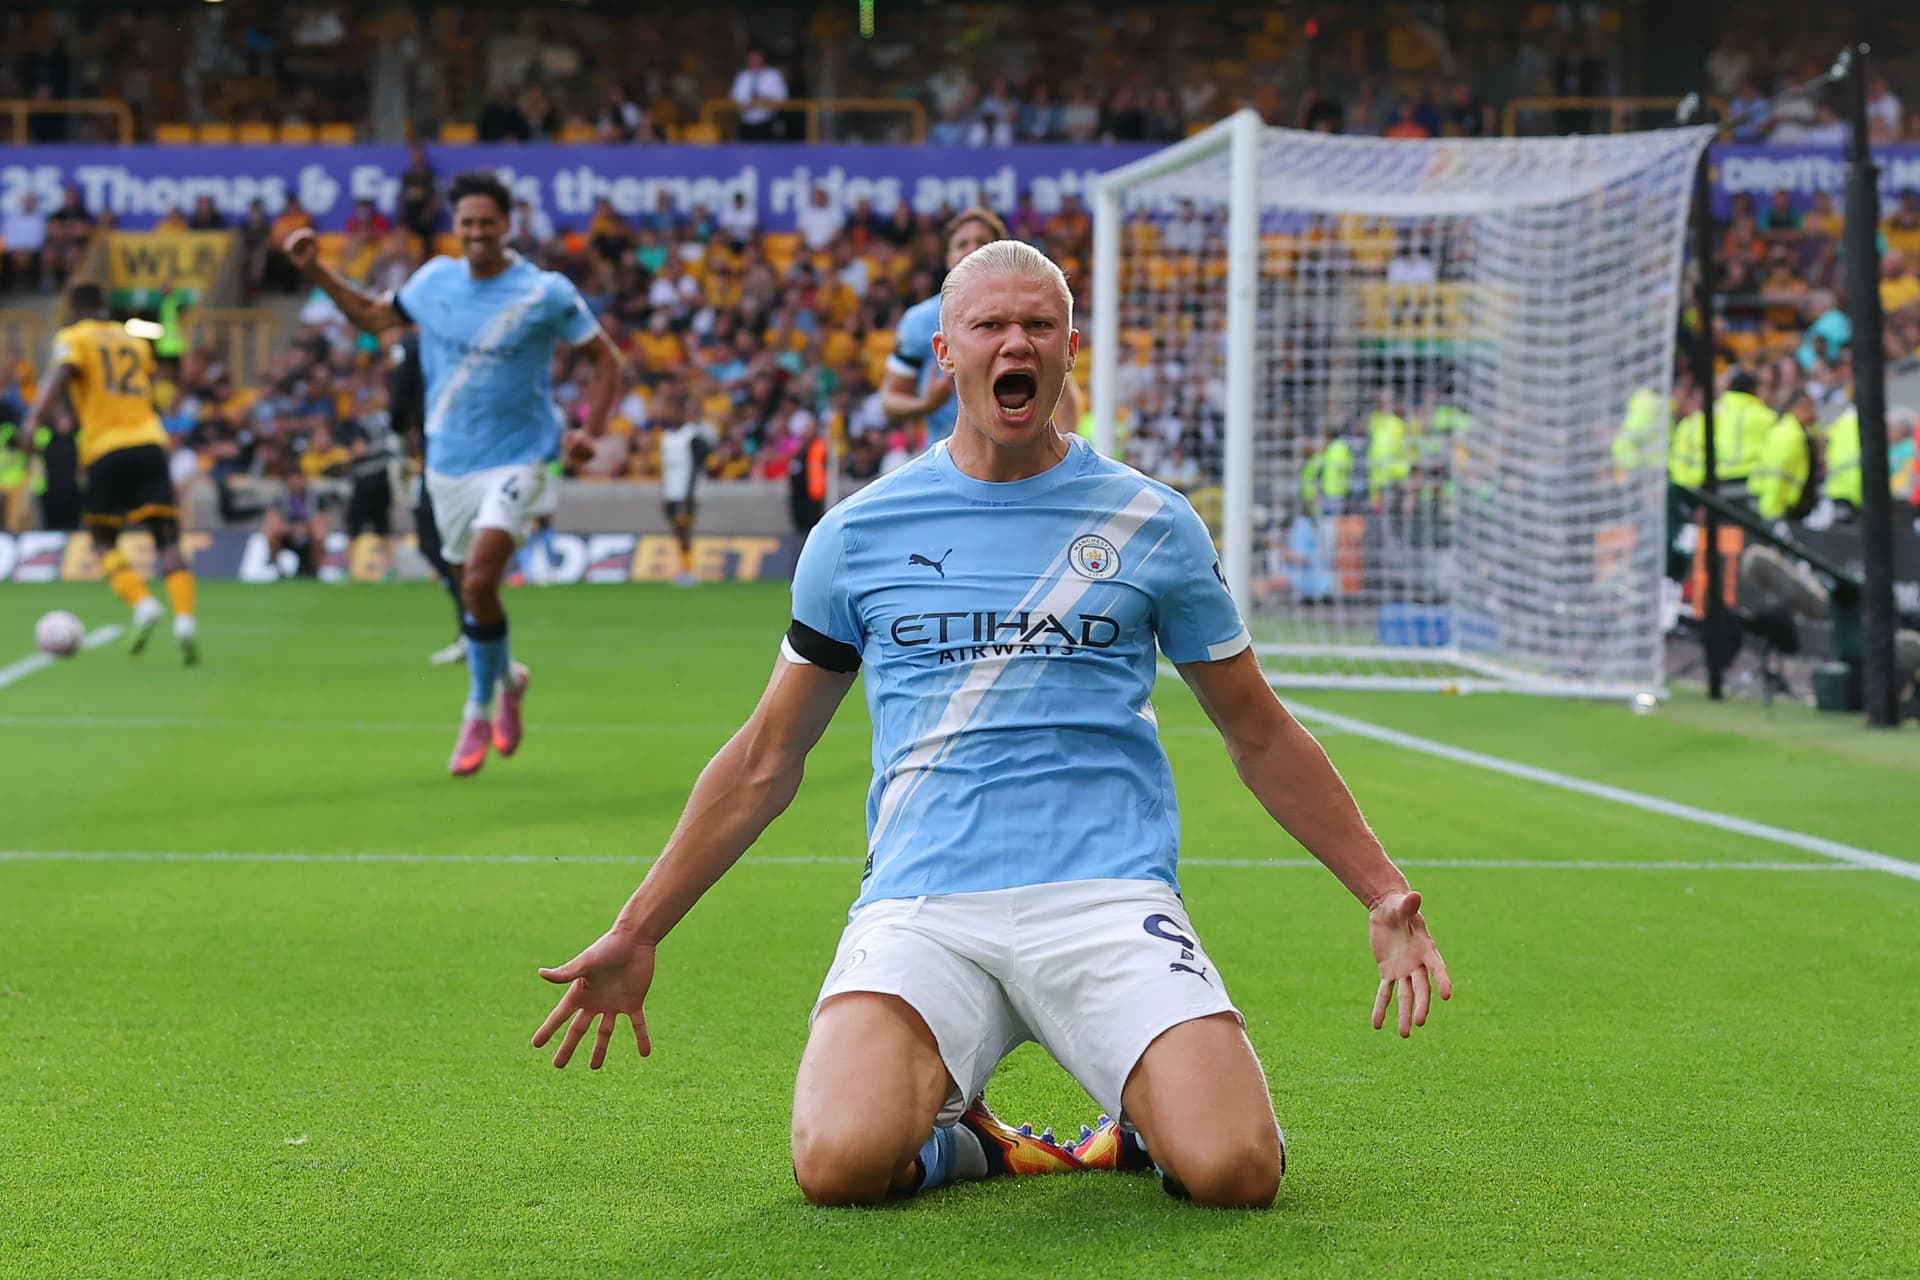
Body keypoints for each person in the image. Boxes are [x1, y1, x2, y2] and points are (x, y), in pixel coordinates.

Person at [530, 241, 1450, 1210]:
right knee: (839, 1161)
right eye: (991, 324)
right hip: (926, 905)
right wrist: (640, 928)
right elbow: (768, 756)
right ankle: (965, 1141)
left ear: (1069, 349)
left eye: (1038, 324)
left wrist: (1382, 891)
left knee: (1235, 1169)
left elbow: (1258, 731)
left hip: (1105, 895)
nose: (1017, 341)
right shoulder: (858, 532)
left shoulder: (1154, 522)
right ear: (946, 351)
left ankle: (1142, 1116)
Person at [283, 171, 627, 776]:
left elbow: (607, 361)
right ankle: (511, 678)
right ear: (455, 226)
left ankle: (476, 708)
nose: (475, 233)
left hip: (522, 458)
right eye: (465, 223)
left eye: (486, 223)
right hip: (448, 465)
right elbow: (371, 315)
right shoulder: (435, 281)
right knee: (477, 589)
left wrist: (589, 432)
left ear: (507, 225)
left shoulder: (543, 292)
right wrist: (316, 269)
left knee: (477, 585)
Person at [20, 282, 199, 663]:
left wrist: (34, 420)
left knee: (102, 537)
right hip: (150, 440)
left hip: (105, 446)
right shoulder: (134, 340)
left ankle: (143, 604)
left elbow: (62, 373)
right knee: (166, 537)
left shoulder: (75, 336)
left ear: (75, 306)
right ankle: (185, 620)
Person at [881, 207, 1082, 452]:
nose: (971, 250)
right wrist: (925, 404)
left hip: (1021, 463)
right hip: (947, 465)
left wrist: (1065, 458)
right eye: (961, 243)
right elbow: (890, 401)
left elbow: (1066, 395)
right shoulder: (919, 321)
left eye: (982, 242)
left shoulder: (1026, 310)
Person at [657, 391, 717, 587]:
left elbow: (705, 457)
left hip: (686, 492)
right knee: (677, 531)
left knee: (685, 530)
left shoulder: (692, 436)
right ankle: (684, 567)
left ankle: (688, 570)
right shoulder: (666, 436)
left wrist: (690, 492)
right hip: (670, 492)